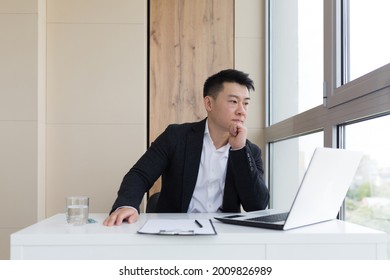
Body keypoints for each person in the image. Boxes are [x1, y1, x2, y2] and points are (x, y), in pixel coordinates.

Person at [103, 69, 269, 226]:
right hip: (175, 231)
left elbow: (257, 205)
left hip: (222, 234)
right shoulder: (176, 136)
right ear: (209, 103)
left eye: (246, 103)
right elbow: (140, 174)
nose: (242, 111)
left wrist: (239, 150)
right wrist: (127, 205)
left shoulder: (250, 151)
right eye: (233, 101)